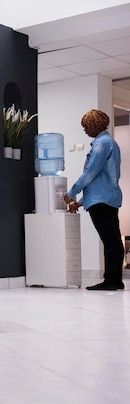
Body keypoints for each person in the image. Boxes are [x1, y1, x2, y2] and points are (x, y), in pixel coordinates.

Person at [63, 109, 124, 291]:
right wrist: (80, 202)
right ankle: (116, 280)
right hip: (110, 197)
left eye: (85, 127)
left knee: (110, 241)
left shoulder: (100, 145)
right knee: (114, 240)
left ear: (92, 125)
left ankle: (110, 281)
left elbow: (90, 174)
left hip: (101, 201)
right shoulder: (111, 143)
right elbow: (100, 181)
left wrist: (71, 193)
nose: (85, 131)